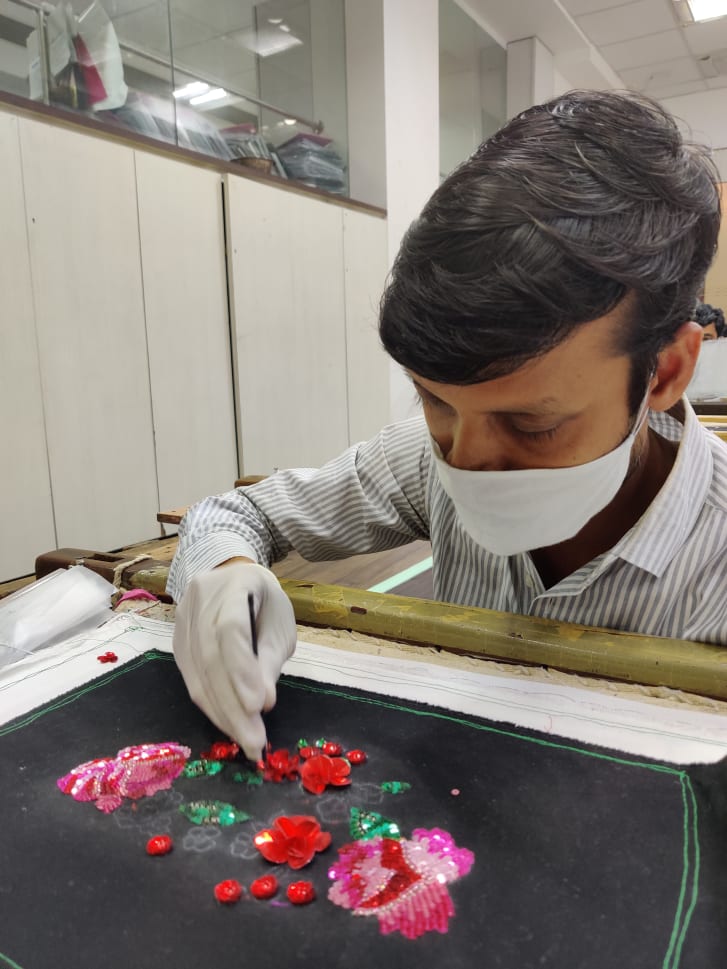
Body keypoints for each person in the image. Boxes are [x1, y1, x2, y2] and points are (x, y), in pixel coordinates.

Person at [169, 90, 727, 759]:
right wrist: (224, 571)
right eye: (433, 400)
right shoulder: (424, 460)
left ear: (663, 372)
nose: (465, 458)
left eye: (531, 421)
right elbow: (231, 513)